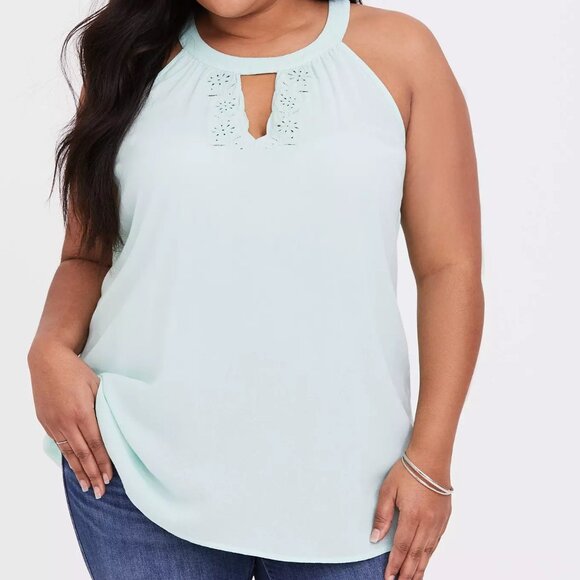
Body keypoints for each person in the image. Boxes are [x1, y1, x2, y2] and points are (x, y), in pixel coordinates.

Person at [27, 0, 484, 578]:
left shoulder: (402, 53)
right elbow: (84, 255)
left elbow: (449, 268)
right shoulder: (129, 56)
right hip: (135, 468)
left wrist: (430, 460)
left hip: (353, 489)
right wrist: (49, 350)